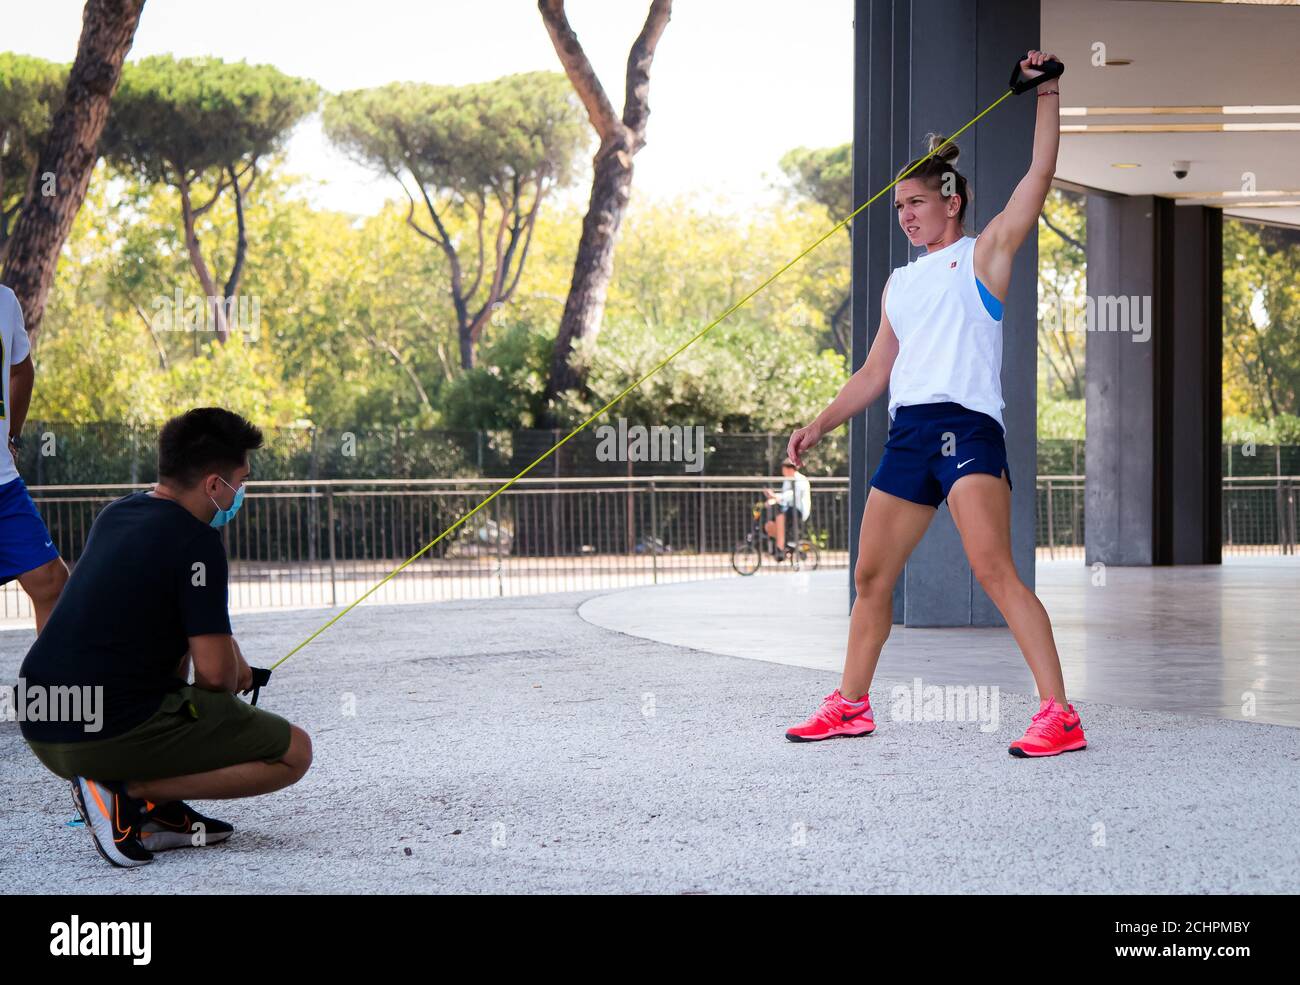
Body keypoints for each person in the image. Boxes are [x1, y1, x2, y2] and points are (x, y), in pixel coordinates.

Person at [783, 51, 1086, 757]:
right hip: (909, 433)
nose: (906, 216)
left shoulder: (985, 255)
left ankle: (1059, 713)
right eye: (898, 207)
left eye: (916, 202)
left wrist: (1048, 94)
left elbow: (1037, 179)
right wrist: (819, 422)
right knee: (870, 575)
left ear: (952, 200)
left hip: (967, 426)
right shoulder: (900, 283)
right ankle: (852, 704)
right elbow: (875, 371)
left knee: (992, 568)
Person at [18, 407, 313, 867]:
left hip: (40, 721)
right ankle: (132, 793)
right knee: (295, 752)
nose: (242, 492)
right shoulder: (198, 543)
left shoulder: (117, 513)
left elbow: (169, 639)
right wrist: (237, 674)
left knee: (178, 693)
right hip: (93, 738)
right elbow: (216, 677)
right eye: (241, 480)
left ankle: (155, 816)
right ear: (215, 485)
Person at [0, 285, 69, 631]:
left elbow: (21, 370)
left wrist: (12, 435)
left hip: (2, 483)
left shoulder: (5, 300)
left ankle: (49, 684)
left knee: (52, 582)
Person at [762, 458, 811, 559]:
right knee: (769, 526)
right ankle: (785, 543)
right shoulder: (787, 480)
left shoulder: (801, 480)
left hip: (799, 511)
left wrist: (776, 497)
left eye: (784, 469)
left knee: (780, 513)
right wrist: (773, 499)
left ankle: (780, 547)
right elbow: (784, 498)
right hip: (788, 509)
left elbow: (792, 495)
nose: (782, 472)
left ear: (790, 469)